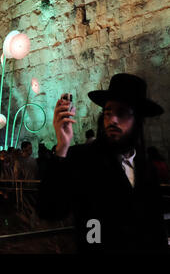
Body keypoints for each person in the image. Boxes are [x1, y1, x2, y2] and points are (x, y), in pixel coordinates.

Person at [38, 73, 168, 253]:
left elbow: (156, 229)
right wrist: (62, 147)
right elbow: (50, 209)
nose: (112, 120)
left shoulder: (147, 168)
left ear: (137, 120)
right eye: (108, 113)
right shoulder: (83, 158)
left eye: (121, 113)